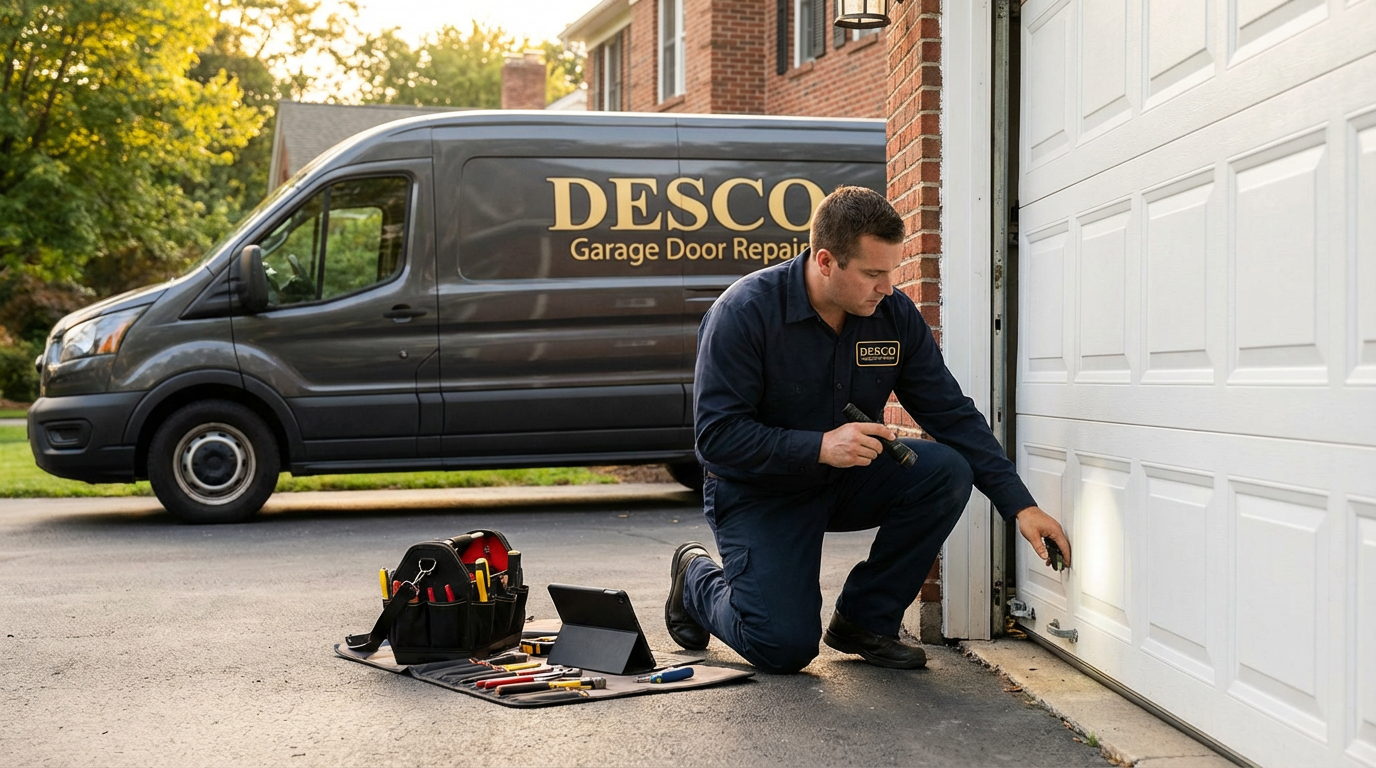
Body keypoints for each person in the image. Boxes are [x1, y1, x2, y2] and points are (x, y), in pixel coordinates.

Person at [665, 186, 1071, 674]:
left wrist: (1020, 505)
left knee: (945, 471)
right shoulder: (744, 313)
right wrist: (819, 446)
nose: (886, 286)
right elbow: (716, 440)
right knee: (783, 647)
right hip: (759, 492)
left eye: (890, 272)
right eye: (873, 273)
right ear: (825, 261)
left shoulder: (892, 314)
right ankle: (695, 578)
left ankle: (865, 620)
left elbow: (951, 413)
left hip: (846, 480)